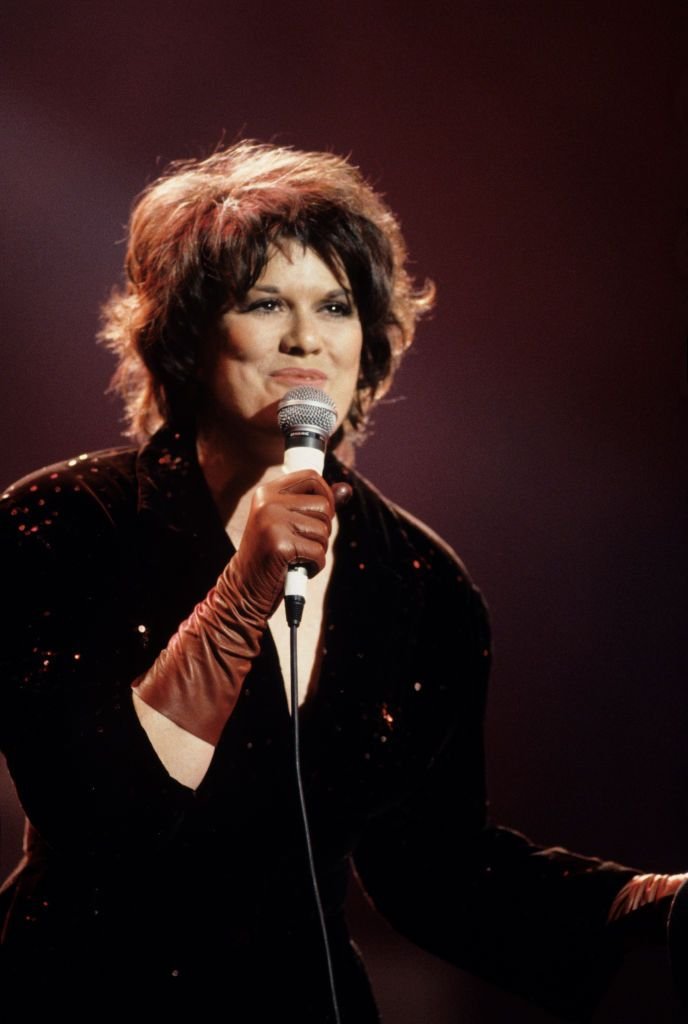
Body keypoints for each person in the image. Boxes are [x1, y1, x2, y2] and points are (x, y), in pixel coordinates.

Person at [0, 140, 684, 1020]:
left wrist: (652, 906)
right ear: (187, 331)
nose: (305, 338)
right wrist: (245, 591)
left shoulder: (417, 585)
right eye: (264, 302)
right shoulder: (64, 527)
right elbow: (105, 818)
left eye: (335, 304)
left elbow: (441, 876)